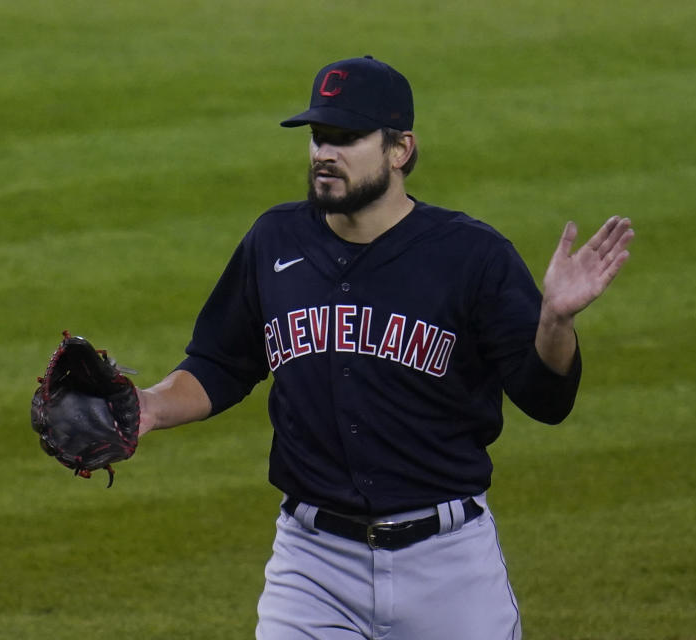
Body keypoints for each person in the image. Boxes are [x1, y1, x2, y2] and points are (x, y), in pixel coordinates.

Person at [136, 55, 634, 640]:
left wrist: (554, 321)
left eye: (347, 138)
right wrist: (148, 405)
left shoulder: (471, 256)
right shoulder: (275, 239)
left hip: (448, 568)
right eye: (320, 136)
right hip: (313, 563)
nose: (325, 152)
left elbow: (546, 399)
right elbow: (220, 364)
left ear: (400, 150)